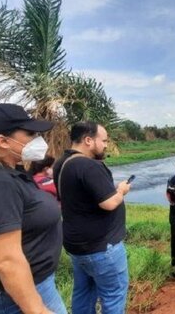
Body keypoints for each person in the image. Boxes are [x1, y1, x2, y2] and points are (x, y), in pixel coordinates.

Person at [0, 103, 66, 314]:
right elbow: (5, 260)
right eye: (30, 133)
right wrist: (38, 310)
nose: (38, 139)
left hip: (31, 288)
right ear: (2, 141)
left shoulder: (5, 172)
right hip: (20, 297)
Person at [53, 121, 131, 314]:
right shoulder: (88, 166)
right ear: (88, 140)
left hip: (78, 246)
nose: (106, 145)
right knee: (113, 295)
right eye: (103, 141)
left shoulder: (62, 163)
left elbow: (84, 197)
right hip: (103, 248)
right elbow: (109, 203)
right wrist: (121, 191)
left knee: (83, 294)